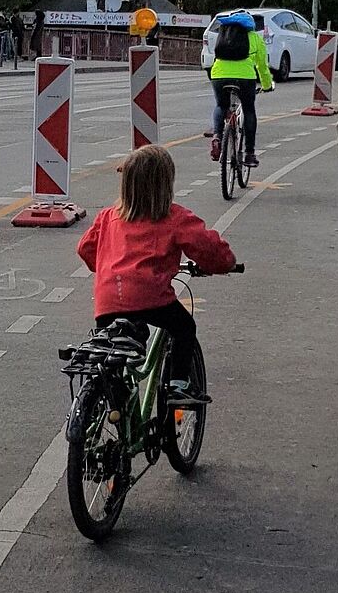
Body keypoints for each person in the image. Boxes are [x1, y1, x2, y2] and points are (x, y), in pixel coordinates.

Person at [76, 146, 237, 402]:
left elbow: (86, 249)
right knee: (184, 327)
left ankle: (112, 404)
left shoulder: (108, 217)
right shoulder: (174, 217)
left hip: (107, 300)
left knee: (113, 354)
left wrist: (109, 268)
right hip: (151, 299)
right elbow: (208, 248)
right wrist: (225, 263)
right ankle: (178, 384)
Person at [208, 10, 272, 168]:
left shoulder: (224, 35)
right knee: (249, 110)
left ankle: (217, 136)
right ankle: (249, 154)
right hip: (245, 78)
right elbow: (262, 66)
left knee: (221, 105)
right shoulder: (255, 38)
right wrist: (266, 85)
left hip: (219, 75)